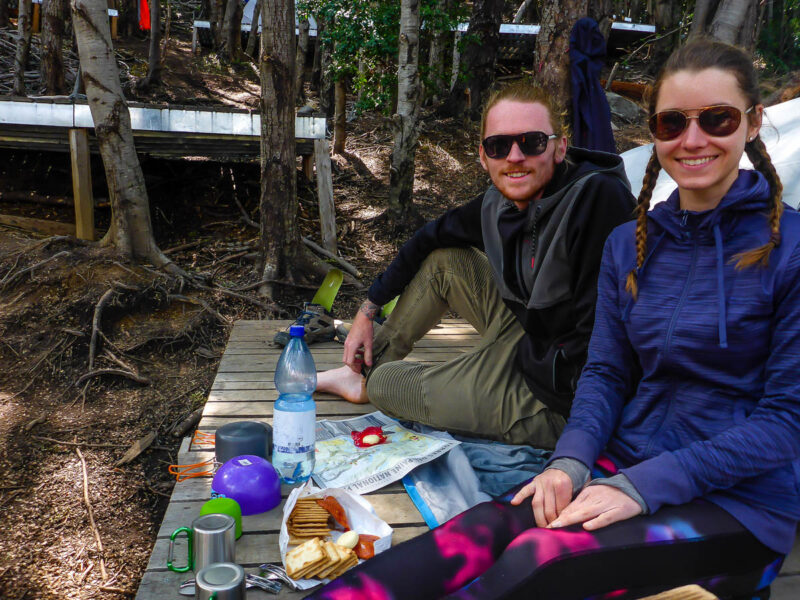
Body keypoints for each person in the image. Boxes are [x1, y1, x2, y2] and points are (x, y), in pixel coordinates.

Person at [306, 39, 800, 600]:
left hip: (739, 502)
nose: (692, 139)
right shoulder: (630, 245)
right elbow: (607, 374)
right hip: (629, 458)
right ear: (654, 131)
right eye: (670, 122)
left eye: (717, 119)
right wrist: (569, 462)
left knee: (540, 557)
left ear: (753, 123)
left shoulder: (791, 250)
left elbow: (787, 421)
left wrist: (641, 487)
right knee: (484, 528)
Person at [317, 81, 636, 448]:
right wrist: (367, 309)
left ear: (559, 148)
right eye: (499, 146)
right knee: (445, 261)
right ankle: (361, 372)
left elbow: (605, 345)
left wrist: (578, 451)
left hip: (563, 401)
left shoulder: (598, 203)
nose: (514, 156)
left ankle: (373, 381)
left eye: (531, 142)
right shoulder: (498, 204)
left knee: (389, 386)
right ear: (483, 157)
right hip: (534, 338)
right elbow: (428, 239)